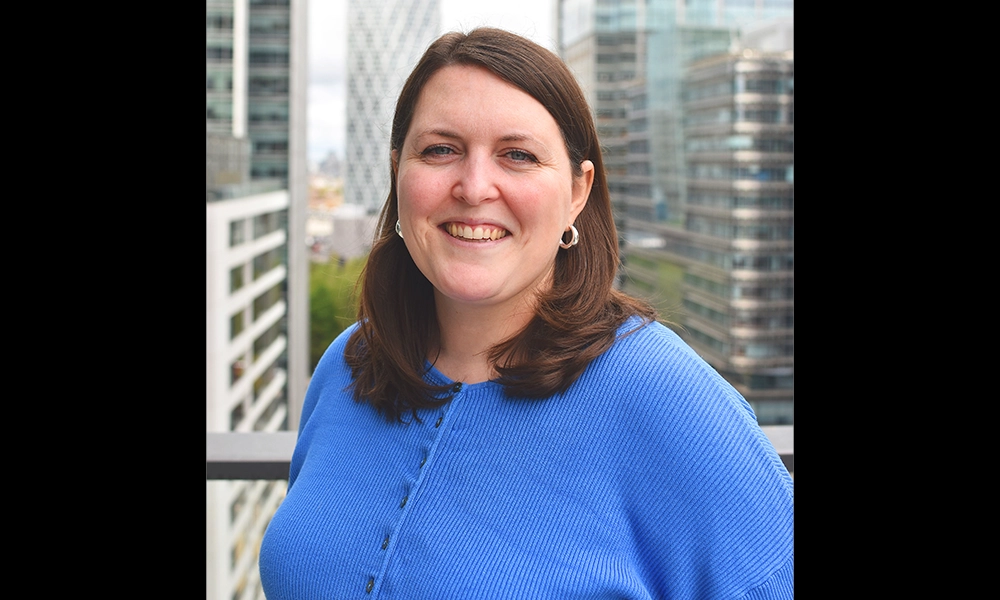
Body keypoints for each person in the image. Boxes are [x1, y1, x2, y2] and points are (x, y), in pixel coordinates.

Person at [259, 27, 793, 599]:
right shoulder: (349, 364)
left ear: (577, 192)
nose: (474, 186)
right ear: (398, 171)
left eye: (518, 155)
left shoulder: (670, 402)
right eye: (440, 149)